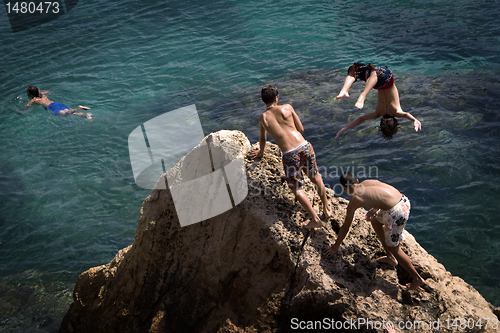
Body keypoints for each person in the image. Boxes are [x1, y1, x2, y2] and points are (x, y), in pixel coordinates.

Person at [324, 172, 426, 290]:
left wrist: (335, 246)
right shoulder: (366, 183)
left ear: (343, 188)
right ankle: (391, 258)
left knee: (394, 247)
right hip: (403, 200)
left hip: (396, 212)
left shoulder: (355, 199)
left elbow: (346, 226)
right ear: (356, 181)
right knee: (375, 222)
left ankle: (417, 278)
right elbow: (382, 193)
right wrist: (375, 208)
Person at [249, 85, 331, 229]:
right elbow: (301, 129)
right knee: (315, 177)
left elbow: (262, 139)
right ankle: (326, 208)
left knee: (297, 189)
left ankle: (315, 219)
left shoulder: (263, 118)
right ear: (276, 98)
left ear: (264, 101)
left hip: (289, 154)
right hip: (305, 146)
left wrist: (260, 152)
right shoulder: (288, 107)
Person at [335, 63, 421, 140]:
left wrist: (414, 120)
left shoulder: (397, 112)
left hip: (384, 78)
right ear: (381, 124)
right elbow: (361, 119)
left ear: (396, 123)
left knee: (373, 73)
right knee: (354, 70)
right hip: (376, 84)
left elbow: (406, 115)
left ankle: (353, 93)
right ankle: (350, 92)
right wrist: (345, 128)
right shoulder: (378, 113)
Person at [25, 86, 92, 119]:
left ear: (30, 94)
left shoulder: (33, 100)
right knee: (68, 111)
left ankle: (78, 108)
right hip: (56, 103)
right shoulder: (41, 94)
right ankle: (85, 115)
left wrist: (20, 110)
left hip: (51, 107)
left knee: (65, 114)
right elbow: (48, 91)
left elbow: (27, 107)